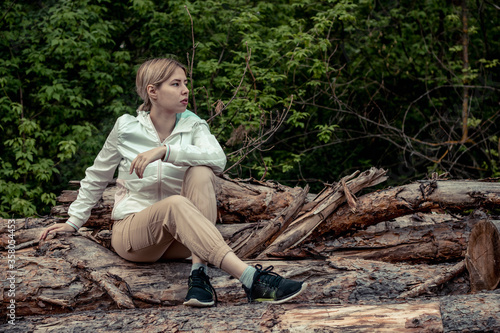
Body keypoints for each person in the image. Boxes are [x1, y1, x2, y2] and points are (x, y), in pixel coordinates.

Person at [39, 58, 306, 307]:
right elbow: (97, 175)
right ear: (152, 91)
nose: (185, 90)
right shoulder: (126, 128)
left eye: (185, 83)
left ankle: (199, 276)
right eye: (176, 84)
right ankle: (251, 279)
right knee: (175, 203)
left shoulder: (193, 124)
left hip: (182, 241)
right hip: (134, 235)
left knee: (202, 170)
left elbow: (218, 159)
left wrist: (166, 152)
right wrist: (73, 221)